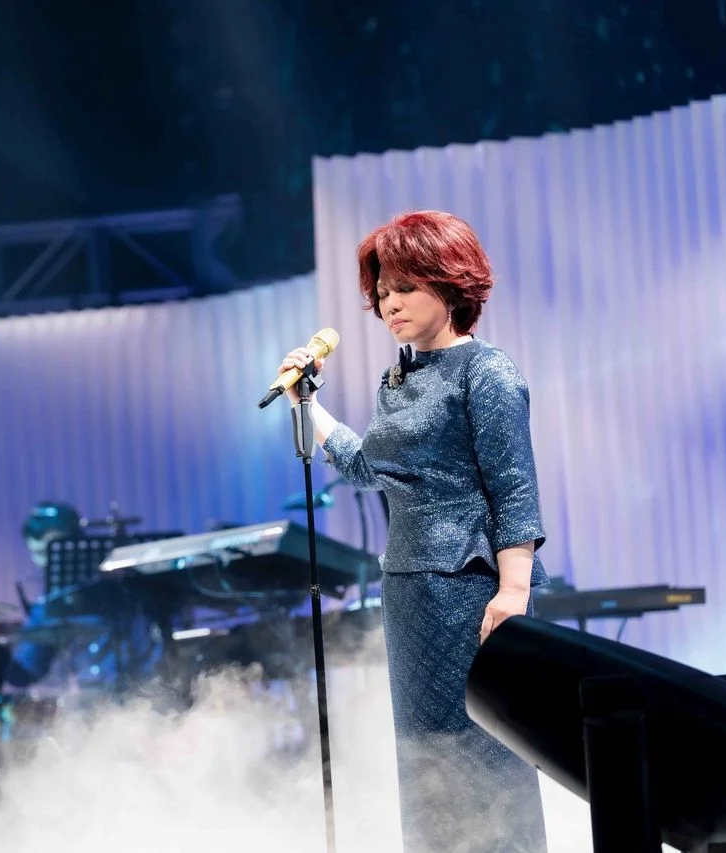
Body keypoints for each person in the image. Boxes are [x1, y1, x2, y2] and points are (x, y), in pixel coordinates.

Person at [276, 211, 549, 851]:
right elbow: (369, 467)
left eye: (403, 287)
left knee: (484, 745)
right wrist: (308, 404)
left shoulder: (487, 372)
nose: (388, 304)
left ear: (449, 284)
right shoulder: (399, 377)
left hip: (470, 590)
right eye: (381, 292)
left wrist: (513, 591)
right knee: (427, 754)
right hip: (409, 591)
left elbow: (513, 486)